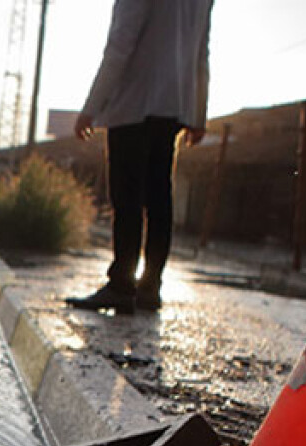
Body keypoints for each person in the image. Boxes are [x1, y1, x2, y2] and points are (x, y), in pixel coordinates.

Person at [66, 0, 213, 314]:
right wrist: (198, 113)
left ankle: (121, 284)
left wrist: (91, 107)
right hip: (175, 104)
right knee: (160, 197)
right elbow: (202, 51)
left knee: (127, 197)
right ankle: (149, 288)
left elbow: (120, 44)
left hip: (135, 101)